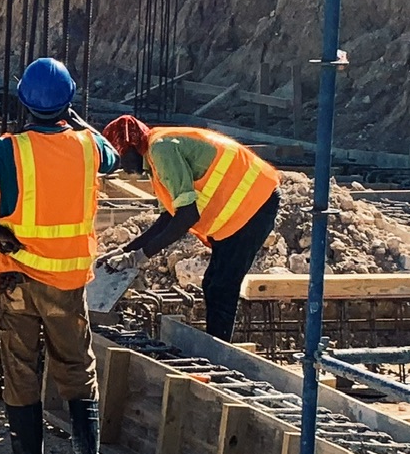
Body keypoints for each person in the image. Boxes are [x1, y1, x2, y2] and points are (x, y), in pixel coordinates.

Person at [0, 57, 118, 454]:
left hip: (18, 279)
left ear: (24, 101)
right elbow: (114, 155)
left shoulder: (10, 149)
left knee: (22, 367)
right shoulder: (89, 146)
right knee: (77, 366)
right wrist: (77, 118)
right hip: (65, 283)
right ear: (68, 101)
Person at [100, 115, 280, 340]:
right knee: (213, 283)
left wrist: (140, 256)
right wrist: (125, 250)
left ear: (130, 148)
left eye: (120, 158)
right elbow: (167, 219)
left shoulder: (161, 150)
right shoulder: (156, 157)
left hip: (255, 203)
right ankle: (218, 345)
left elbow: (186, 217)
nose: (123, 168)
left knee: (222, 286)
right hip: (242, 210)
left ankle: (219, 356)